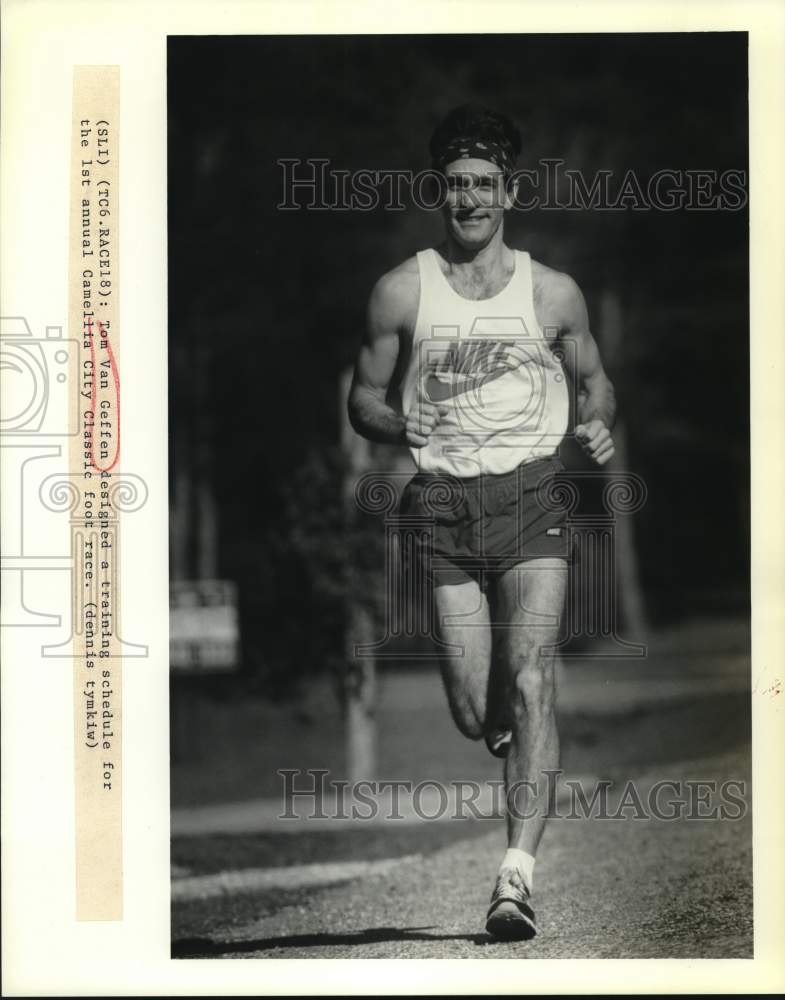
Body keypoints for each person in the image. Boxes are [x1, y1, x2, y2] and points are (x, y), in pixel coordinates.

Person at [347, 105, 616, 941]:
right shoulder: (402, 290)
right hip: (445, 504)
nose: (468, 200)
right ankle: (501, 724)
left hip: (533, 492)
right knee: (476, 712)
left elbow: (594, 381)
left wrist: (597, 420)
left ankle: (514, 879)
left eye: (483, 185)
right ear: (440, 191)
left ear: (509, 190)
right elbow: (363, 397)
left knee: (534, 674)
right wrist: (397, 426)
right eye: (454, 185)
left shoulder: (551, 293)